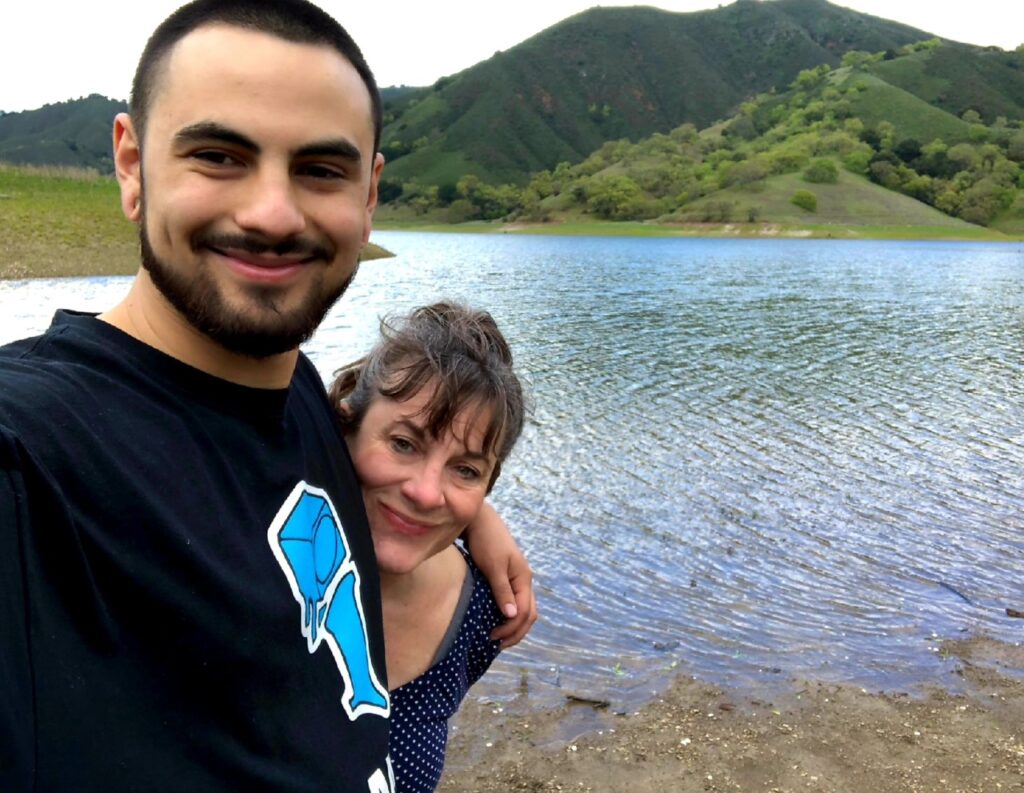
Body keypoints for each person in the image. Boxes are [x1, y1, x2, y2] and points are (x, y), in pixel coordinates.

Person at [0, 1, 533, 790]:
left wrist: (475, 515)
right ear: (131, 163)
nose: (272, 214)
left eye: (320, 170)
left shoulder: (307, 405)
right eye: (218, 155)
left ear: (369, 196)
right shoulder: (36, 450)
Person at [329, 302, 527, 793]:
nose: (424, 492)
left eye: (465, 470)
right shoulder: (261, 551)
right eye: (403, 443)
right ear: (346, 425)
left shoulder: (480, 614)